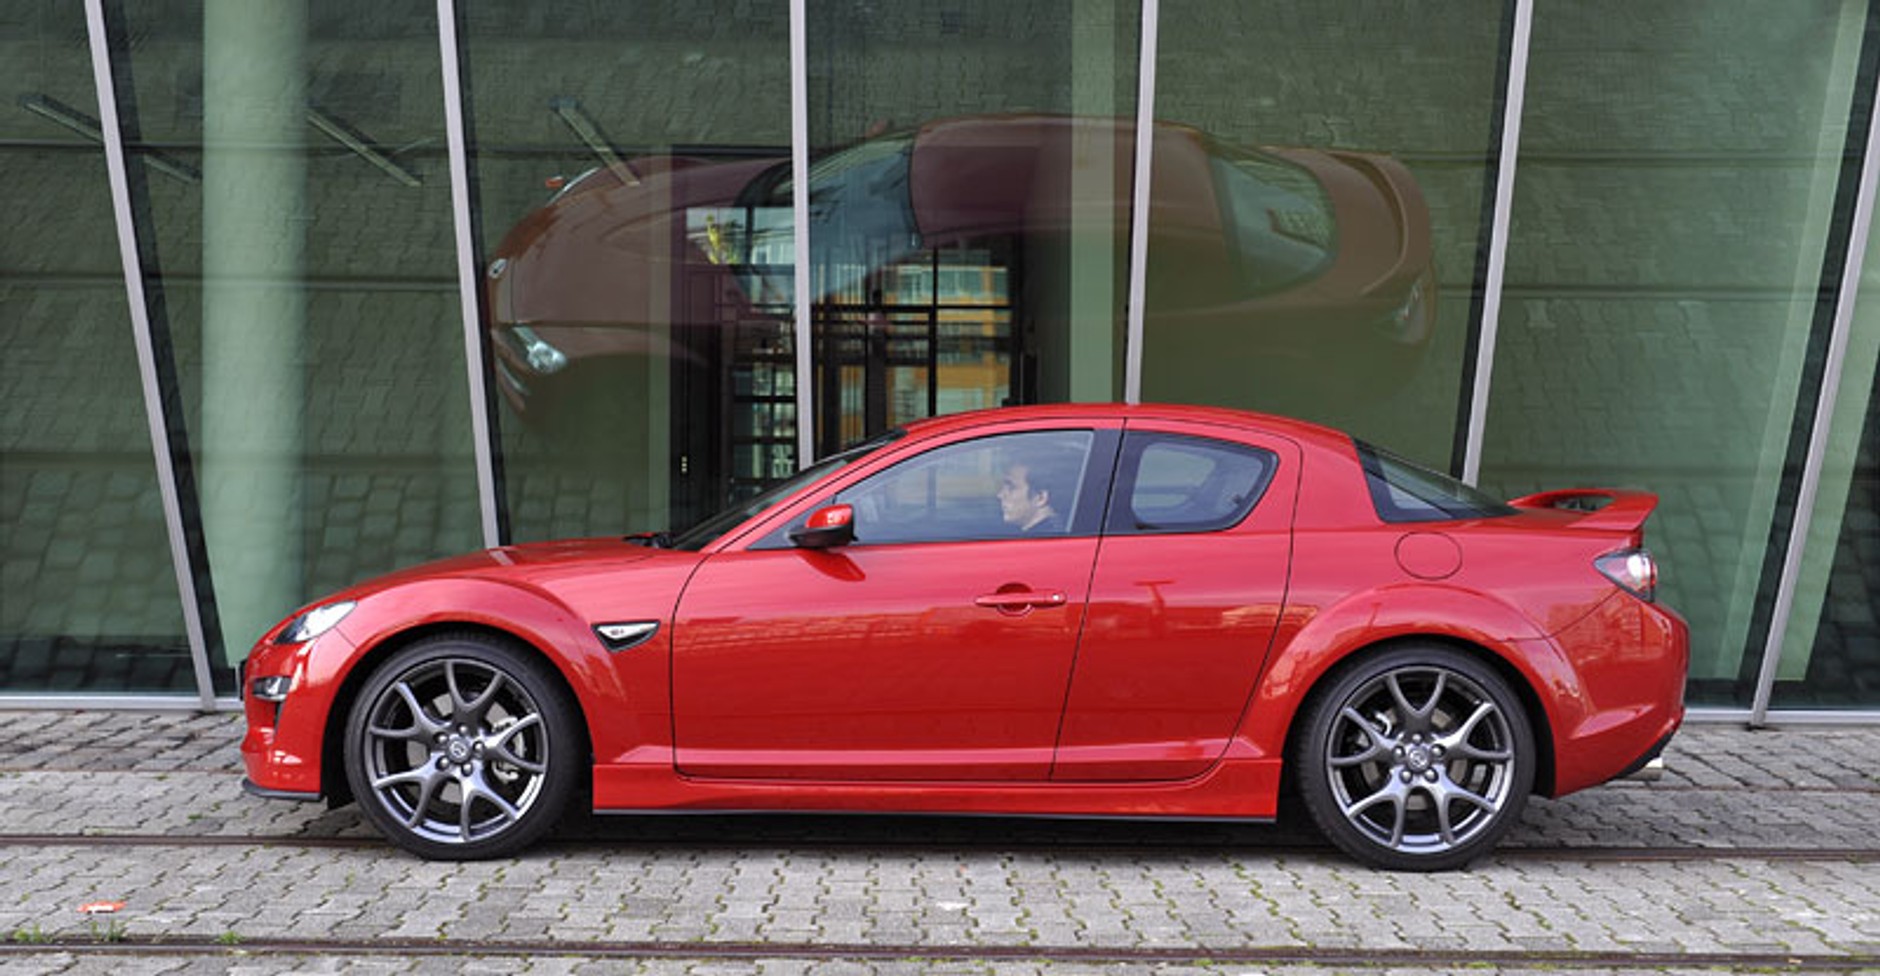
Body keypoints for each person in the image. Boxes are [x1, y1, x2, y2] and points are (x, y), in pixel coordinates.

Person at [996, 452, 1077, 534]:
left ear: (1040, 498)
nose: (1000, 495)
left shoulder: (1044, 541)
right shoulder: (1059, 534)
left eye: (1011, 487)